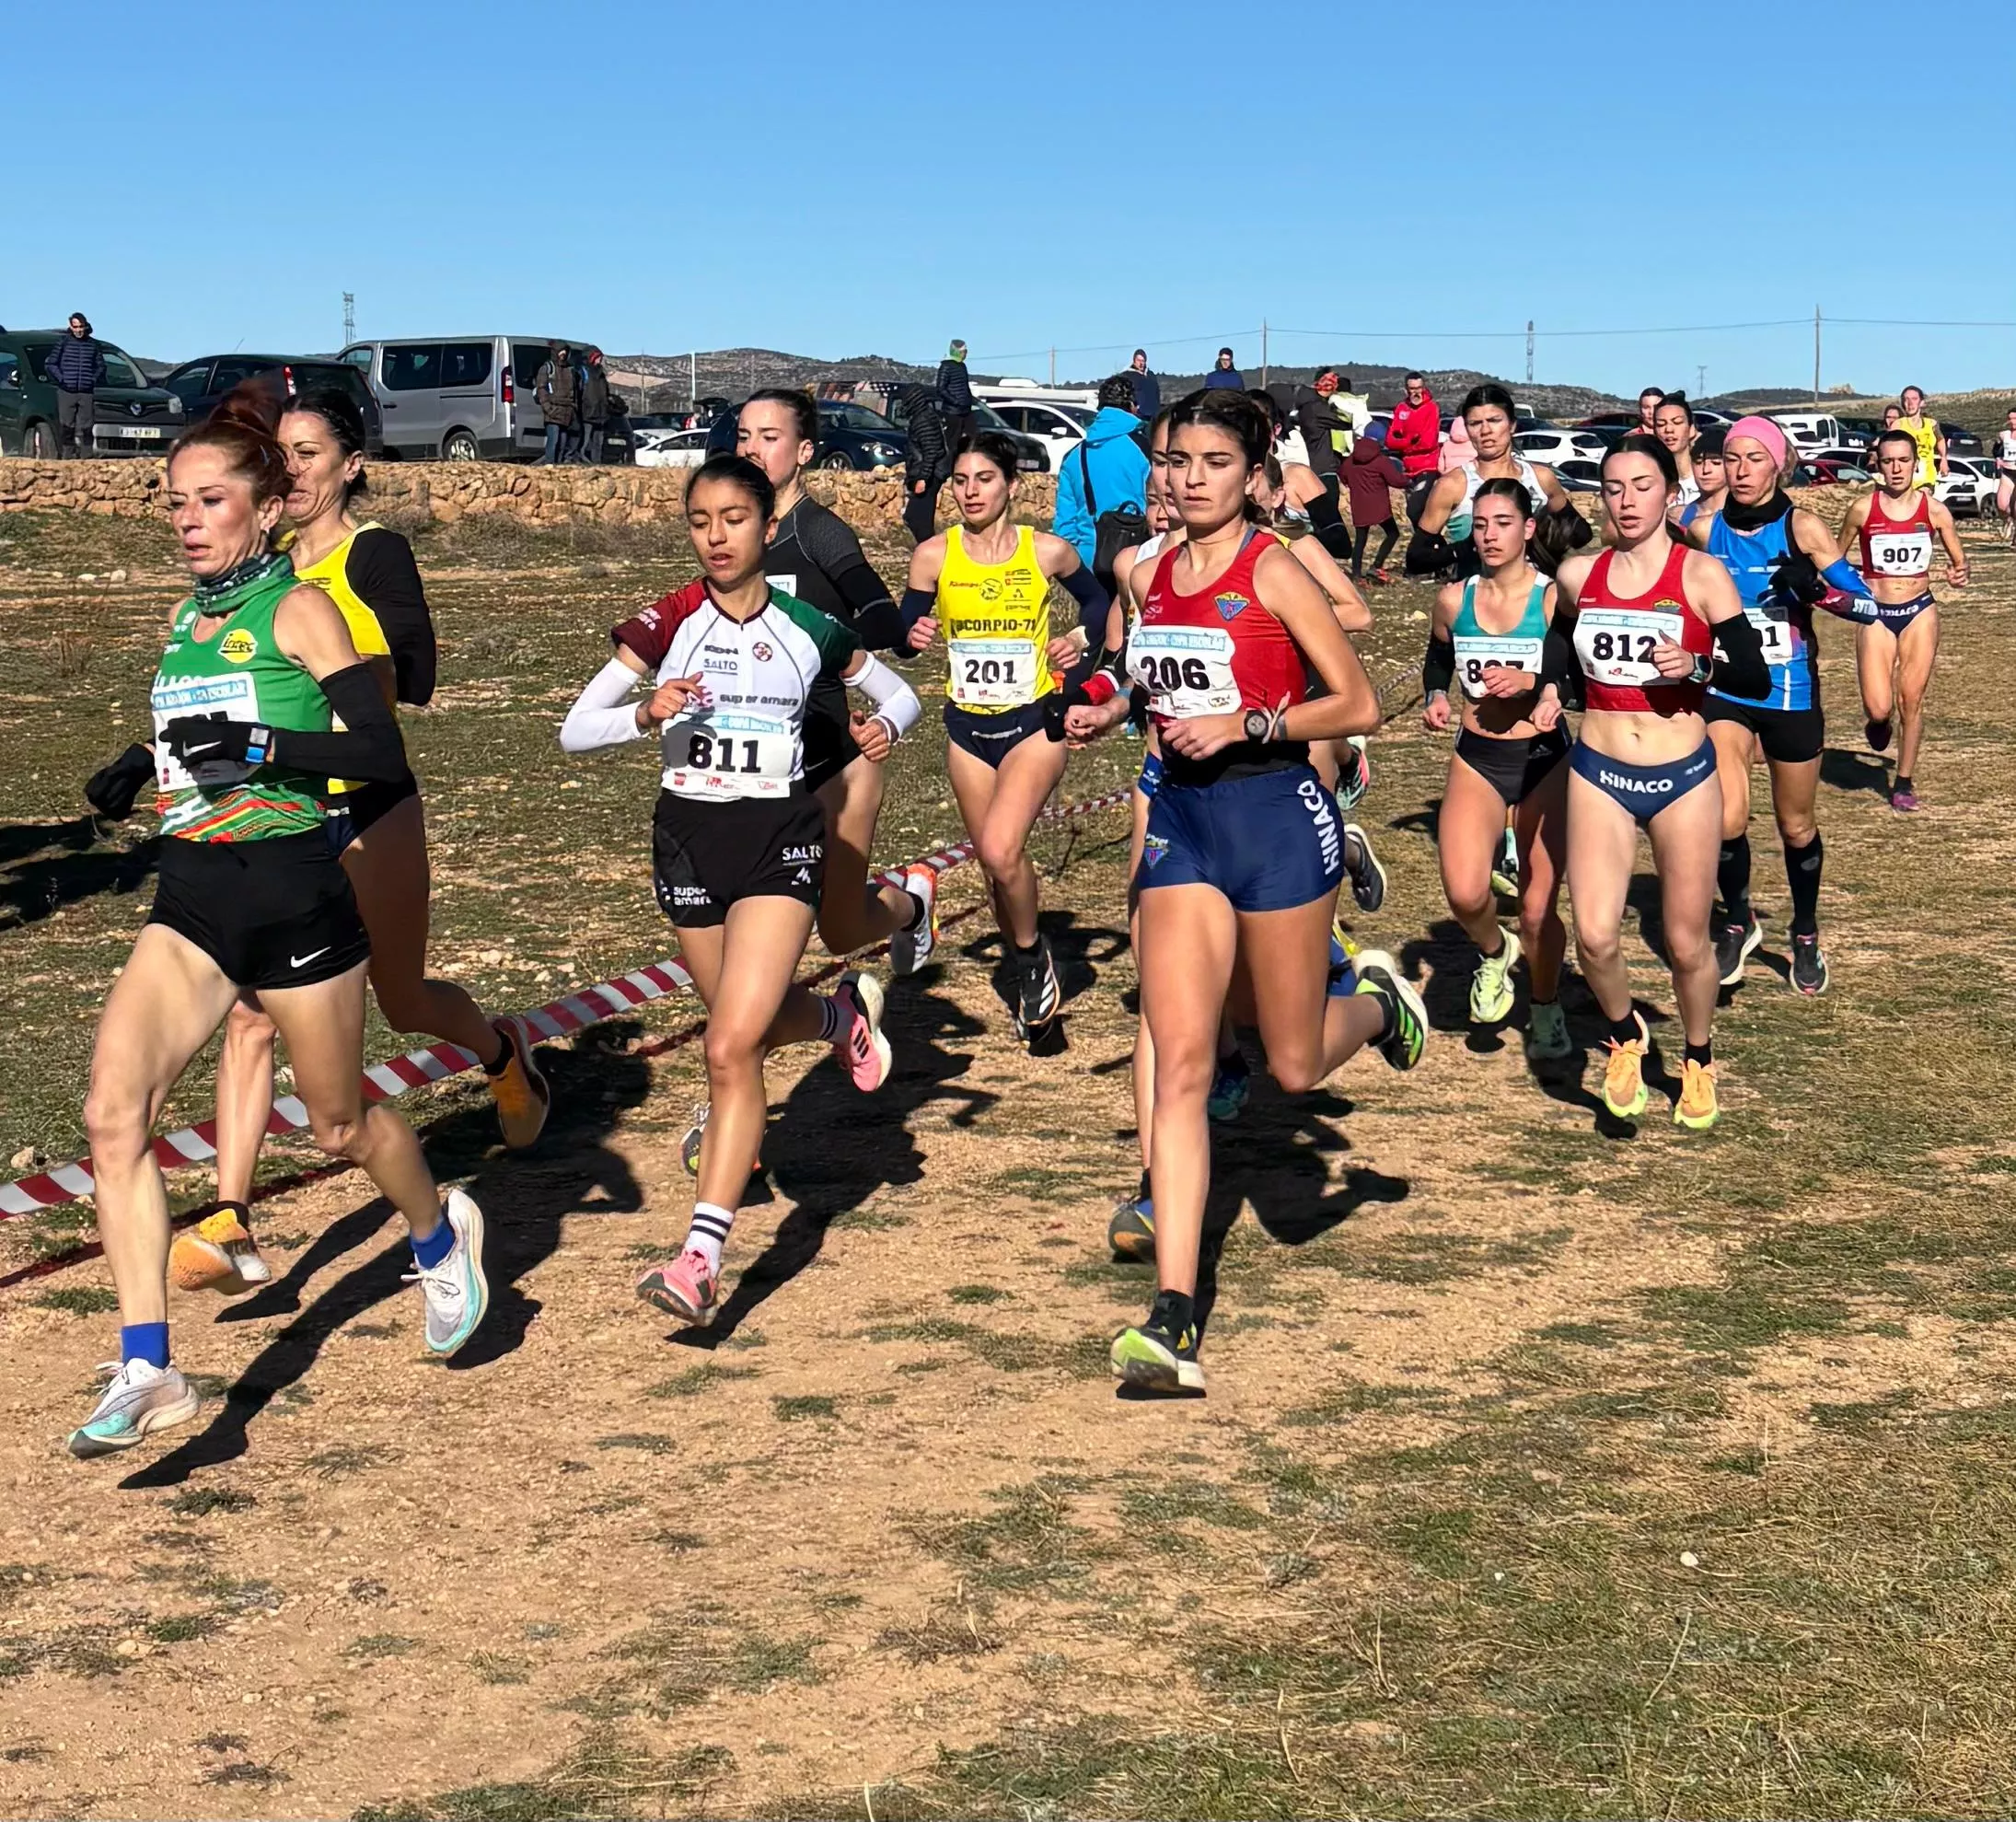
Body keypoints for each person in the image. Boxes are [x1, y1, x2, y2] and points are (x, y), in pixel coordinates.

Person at [69, 388, 489, 1458]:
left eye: (210, 499)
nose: (188, 518)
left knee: (340, 1124)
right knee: (115, 1116)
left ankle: (440, 1238)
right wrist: (140, 761)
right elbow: (196, 725)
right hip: (194, 898)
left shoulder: (303, 609)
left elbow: (377, 754)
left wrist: (262, 754)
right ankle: (148, 1363)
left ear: (263, 509)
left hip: (297, 892)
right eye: (175, 503)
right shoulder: (187, 618)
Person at [156, 391, 548, 1294]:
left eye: (307, 452)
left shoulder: (372, 554)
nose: (290, 471)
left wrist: (329, 641)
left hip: (370, 807)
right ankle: (230, 1213)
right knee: (251, 1015)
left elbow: (416, 669)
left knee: (403, 999)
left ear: (351, 463)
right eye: (279, 455)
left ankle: (500, 1052)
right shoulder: (259, 569)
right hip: (285, 820)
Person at [1104, 390, 1423, 1393]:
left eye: (1213, 461)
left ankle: (1377, 1003)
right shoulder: (1147, 570)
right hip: (1184, 831)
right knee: (1186, 1064)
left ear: (1253, 476)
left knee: (1291, 1067)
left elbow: (1357, 699)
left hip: (1278, 820)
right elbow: (1150, 681)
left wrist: (1253, 725)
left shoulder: (1272, 567)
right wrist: (1105, 700)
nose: (1190, 477)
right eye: (1177, 459)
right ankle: (1172, 1313)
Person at [559, 455, 921, 1321]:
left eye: (732, 519)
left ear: (766, 527)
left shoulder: (808, 628)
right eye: (700, 521)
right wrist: (646, 713)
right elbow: (575, 731)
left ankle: (698, 1256)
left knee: (727, 1050)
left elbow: (900, 693)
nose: (716, 536)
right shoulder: (666, 623)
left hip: (779, 846)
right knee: (742, 1032)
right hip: (689, 845)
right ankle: (839, 1019)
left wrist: (881, 729)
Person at [1552, 435, 1764, 1131]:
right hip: (1600, 771)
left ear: (1669, 493)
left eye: (1642, 485)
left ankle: (1697, 1056)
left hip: (1682, 774)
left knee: (1684, 943)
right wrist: (1544, 689)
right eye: (1614, 488)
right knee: (1594, 935)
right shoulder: (1580, 577)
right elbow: (1558, 658)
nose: (1627, 500)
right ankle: (1625, 1036)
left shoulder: (1700, 574)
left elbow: (1753, 675)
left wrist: (1697, 669)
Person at [901, 432, 1109, 1045]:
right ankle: (1032, 979)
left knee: (997, 848)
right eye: (960, 481)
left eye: (983, 479)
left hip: (1033, 722)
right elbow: (902, 629)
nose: (969, 491)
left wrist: (1083, 640)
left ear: (1012, 485)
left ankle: (1030, 958)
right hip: (967, 728)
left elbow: (1100, 603)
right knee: (998, 869)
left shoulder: (1046, 551)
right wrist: (910, 634)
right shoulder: (934, 556)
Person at [1685, 415, 1878, 995]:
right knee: (1725, 817)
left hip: (1790, 694)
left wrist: (1818, 590)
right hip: (1725, 690)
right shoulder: (1701, 528)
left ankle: (1805, 930)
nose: (1741, 471)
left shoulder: (1805, 528)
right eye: (1731, 459)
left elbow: (1867, 608)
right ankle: (1739, 919)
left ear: (1778, 464)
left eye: (1754, 459)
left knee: (1796, 827)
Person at [1420, 479, 1573, 1060]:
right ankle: (1492, 952)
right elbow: (1438, 654)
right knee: (1464, 892)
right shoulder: (1455, 599)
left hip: (1543, 759)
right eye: (1480, 524)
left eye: (1502, 523)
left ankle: (1545, 1003)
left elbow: (1576, 670)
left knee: (1536, 908)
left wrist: (1540, 686)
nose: (1489, 535)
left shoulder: (1553, 595)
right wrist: (1437, 692)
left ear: (1528, 528)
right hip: (1477, 756)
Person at [1836, 428, 1967, 812]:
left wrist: (1959, 573)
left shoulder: (1934, 510)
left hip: (1919, 611)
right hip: (1876, 612)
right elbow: (1834, 557)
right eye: (1889, 461)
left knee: (1911, 698)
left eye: (1903, 461)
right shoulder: (1863, 509)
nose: (1896, 469)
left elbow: (1961, 563)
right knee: (1879, 708)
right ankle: (1878, 725)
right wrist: (1845, 583)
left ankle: (1904, 782)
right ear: (1879, 464)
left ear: (1915, 464)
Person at [1409, 384, 1584, 582]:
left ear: (1512, 425)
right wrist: (1465, 549)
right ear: (1466, 428)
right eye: (1475, 423)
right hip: (1478, 599)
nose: (1485, 430)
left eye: (1494, 420)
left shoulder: (1540, 478)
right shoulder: (1454, 485)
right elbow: (1416, 558)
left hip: (1537, 599)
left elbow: (1580, 534)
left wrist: (1541, 539)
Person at [1053, 374, 1151, 571]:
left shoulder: (1074, 456)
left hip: (1090, 559)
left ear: (1100, 408)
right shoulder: (1143, 448)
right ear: (1132, 406)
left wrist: (1079, 560)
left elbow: (1065, 523)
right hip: (1137, 558)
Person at [42, 312, 105, 460]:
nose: (78, 330)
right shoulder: (63, 343)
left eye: (81, 327)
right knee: (67, 425)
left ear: (85, 326)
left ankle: (87, 456)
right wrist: (62, 379)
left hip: (86, 391)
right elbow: (51, 364)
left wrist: (92, 380)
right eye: (75, 327)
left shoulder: (93, 345)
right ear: (71, 326)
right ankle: (67, 457)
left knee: (87, 426)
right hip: (66, 391)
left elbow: (101, 366)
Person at [1344, 434, 1404, 582]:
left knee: (1360, 541)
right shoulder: (1380, 461)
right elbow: (1395, 480)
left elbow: (1343, 475)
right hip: (1379, 506)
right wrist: (1409, 480)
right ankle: (1377, 565)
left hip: (1359, 505)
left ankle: (1357, 574)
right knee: (1392, 533)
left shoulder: (1350, 461)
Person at [1387, 372, 1442, 524]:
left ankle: (1431, 542)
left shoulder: (1431, 408)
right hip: (1408, 469)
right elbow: (1391, 440)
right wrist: (1411, 440)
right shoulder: (1402, 408)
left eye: (1419, 388)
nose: (1416, 392)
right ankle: (1428, 545)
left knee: (1414, 510)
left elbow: (1428, 443)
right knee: (1416, 517)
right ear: (1406, 389)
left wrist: (1404, 445)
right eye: (1412, 389)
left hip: (1427, 467)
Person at [899, 384, 950, 545]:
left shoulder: (923, 421)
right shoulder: (924, 416)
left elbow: (931, 451)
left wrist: (923, 478)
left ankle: (930, 552)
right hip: (931, 475)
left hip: (930, 476)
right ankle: (929, 550)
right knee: (918, 519)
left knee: (916, 519)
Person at [535, 342, 581, 465]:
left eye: (565, 352)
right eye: (561, 352)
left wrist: (573, 407)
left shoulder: (570, 370)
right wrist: (548, 408)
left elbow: (575, 391)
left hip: (567, 412)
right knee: (553, 441)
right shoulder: (547, 368)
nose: (563, 355)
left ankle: (559, 467)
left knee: (563, 442)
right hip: (553, 411)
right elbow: (541, 389)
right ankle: (549, 465)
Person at [1652, 392, 1698, 509]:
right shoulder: (1651, 480)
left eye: (1677, 422)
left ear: (1692, 429)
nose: (1669, 429)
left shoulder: (1706, 478)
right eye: (1661, 424)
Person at [1895, 385, 1946, 491]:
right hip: (1905, 478)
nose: (1910, 403)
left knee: (1922, 500)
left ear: (1922, 403)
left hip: (1927, 478)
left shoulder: (1931, 424)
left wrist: (1943, 459)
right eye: (1906, 400)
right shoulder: (1898, 425)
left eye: (1914, 399)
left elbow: (1940, 440)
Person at [1678, 425, 1726, 528]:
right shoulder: (1677, 517)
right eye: (1698, 462)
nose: (1706, 470)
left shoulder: (1746, 517)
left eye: (1716, 462)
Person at [936, 339, 975, 454]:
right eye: (963, 351)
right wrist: (955, 401)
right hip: (953, 411)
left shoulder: (962, 366)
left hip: (966, 410)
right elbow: (940, 389)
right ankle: (949, 468)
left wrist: (969, 400)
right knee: (952, 442)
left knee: (973, 438)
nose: (965, 354)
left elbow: (965, 386)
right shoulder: (946, 366)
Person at [580, 348, 611, 466]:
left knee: (598, 442)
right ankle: (581, 461)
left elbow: (605, 392)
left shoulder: (602, 375)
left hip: (601, 412)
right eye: (598, 358)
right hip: (588, 411)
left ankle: (596, 463)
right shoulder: (585, 372)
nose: (600, 360)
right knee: (585, 440)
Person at [1993, 406, 2016, 545]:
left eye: (2015, 418)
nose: (2013, 422)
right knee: (2002, 505)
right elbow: (1996, 449)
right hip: (2008, 472)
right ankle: (2008, 522)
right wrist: (1998, 458)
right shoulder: (2004, 435)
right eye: (2010, 419)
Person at [1129, 349, 1161, 420]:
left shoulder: (1151, 375)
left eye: (1143, 361)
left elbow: (1157, 392)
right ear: (1134, 361)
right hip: (1138, 415)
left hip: (1153, 414)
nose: (1141, 363)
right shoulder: (1128, 375)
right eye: (1139, 360)